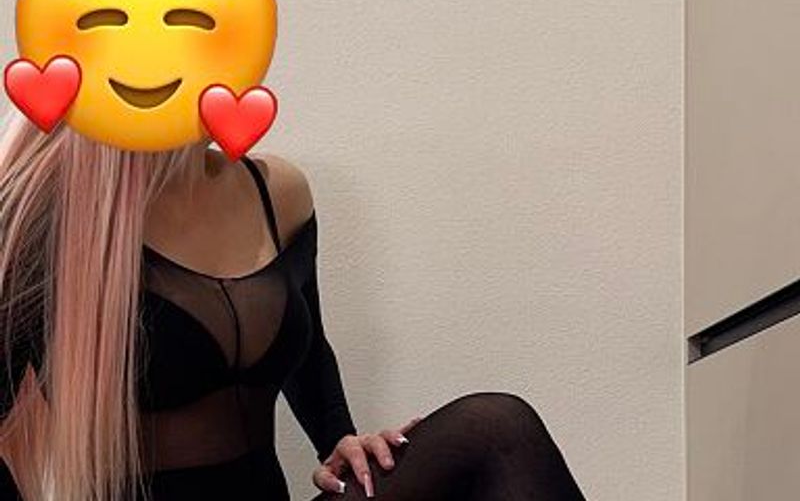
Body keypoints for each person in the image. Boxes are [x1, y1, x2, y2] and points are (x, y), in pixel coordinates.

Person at [0, 116, 586, 500]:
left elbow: (308, 353)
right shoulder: (45, 225)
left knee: (498, 427)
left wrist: (341, 438)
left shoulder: (276, 192)